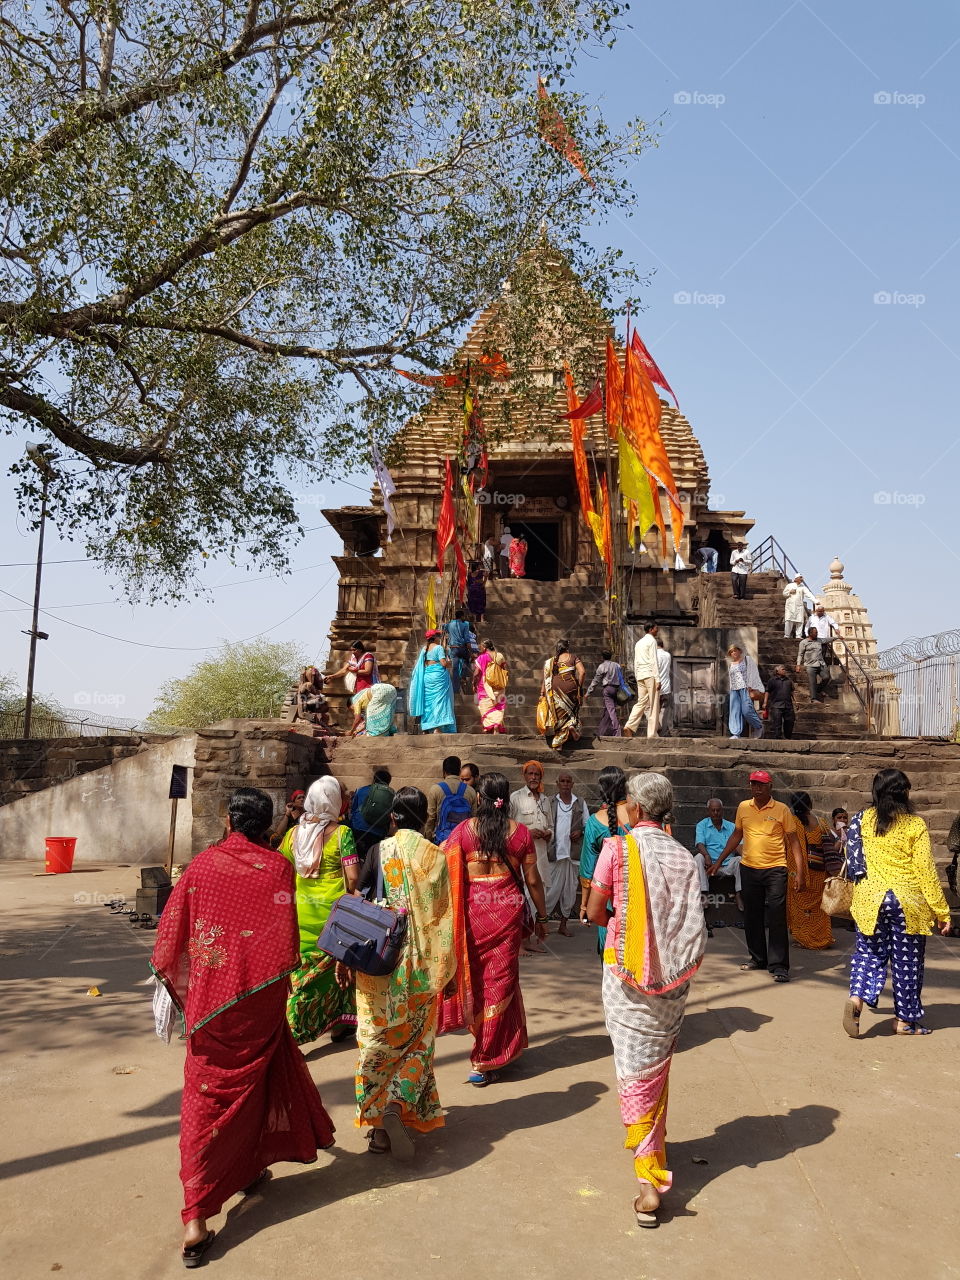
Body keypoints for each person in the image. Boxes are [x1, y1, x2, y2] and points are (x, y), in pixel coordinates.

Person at [151, 787, 335, 1266]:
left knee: (205, 1097)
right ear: (269, 826)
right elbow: (284, 939)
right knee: (255, 1083)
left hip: (213, 1003)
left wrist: (185, 989)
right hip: (262, 997)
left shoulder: (202, 866)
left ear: (230, 822)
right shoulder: (277, 867)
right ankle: (240, 1172)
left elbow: (171, 932)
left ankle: (196, 1218)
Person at [586, 772, 706, 1228]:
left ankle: (648, 1181)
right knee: (657, 1065)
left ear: (635, 809)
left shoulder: (617, 850)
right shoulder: (682, 855)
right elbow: (691, 921)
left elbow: (596, 912)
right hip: (674, 983)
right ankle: (655, 1143)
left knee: (633, 1071)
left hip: (625, 974)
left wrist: (631, 921)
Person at [342, 787, 455, 1159]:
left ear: (393, 817)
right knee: (417, 1044)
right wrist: (447, 971)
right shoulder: (436, 857)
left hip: (380, 965)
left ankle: (377, 1131)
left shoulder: (379, 850)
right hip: (422, 970)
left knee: (377, 1043)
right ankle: (398, 1104)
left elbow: (358, 896)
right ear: (426, 819)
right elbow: (443, 918)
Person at [440, 771, 548, 1085]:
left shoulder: (462, 832)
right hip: (507, 915)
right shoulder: (521, 834)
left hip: (472, 915)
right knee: (499, 981)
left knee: (475, 980)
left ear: (480, 798)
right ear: (506, 798)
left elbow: (446, 877)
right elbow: (532, 881)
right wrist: (542, 919)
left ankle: (487, 1046)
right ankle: (486, 1056)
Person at [843, 769, 952, 1038]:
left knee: (867, 955)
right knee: (908, 963)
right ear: (904, 794)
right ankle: (904, 1022)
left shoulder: (861, 820)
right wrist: (942, 911)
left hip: (870, 901)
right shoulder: (914, 825)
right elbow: (926, 871)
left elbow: (854, 859)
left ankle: (857, 998)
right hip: (906, 902)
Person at [277, 776, 360, 1044]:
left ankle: (301, 1028)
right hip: (334, 917)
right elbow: (353, 877)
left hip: (301, 913)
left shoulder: (292, 834)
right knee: (338, 971)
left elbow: (280, 868)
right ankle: (335, 1026)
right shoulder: (343, 833)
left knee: (302, 976)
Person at [716, 769, 804, 982]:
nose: (756, 788)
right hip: (749, 867)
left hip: (776, 869)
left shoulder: (782, 810)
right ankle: (758, 958)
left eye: (761, 785)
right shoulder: (743, 807)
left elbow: (794, 842)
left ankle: (779, 966)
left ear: (770, 787)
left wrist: (800, 873)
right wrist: (719, 860)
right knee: (752, 915)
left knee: (776, 917)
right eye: (753, 784)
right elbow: (737, 835)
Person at [579, 766, 631, 954]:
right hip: (640, 893)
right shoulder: (639, 814)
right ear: (625, 788)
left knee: (610, 951)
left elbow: (587, 871)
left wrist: (585, 905)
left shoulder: (595, 822)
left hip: (608, 900)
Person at [510, 761, 553, 951]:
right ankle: (522, 940)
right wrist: (528, 832)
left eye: (537, 774)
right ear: (524, 776)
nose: (534, 777)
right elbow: (510, 828)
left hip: (541, 856)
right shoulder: (515, 798)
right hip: (522, 859)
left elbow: (551, 826)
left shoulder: (545, 800)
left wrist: (547, 833)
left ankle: (533, 937)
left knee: (539, 894)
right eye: (530, 774)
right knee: (523, 897)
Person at [787, 792, 837, 950]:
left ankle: (804, 939)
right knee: (818, 908)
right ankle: (822, 937)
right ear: (810, 805)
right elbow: (831, 846)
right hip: (819, 872)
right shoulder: (821, 823)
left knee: (799, 907)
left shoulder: (792, 823)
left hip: (797, 872)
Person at [546, 771, 589, 936]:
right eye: (562, 781)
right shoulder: (549, 802)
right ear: (557, 784)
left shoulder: (580, 803)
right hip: (553, 853)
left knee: (569, 892)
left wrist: (580, 832)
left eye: (568, 781)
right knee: (549, 891)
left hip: (572, 855)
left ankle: (563, 925)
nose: (565, 784)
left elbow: (587, 824)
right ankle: (542, 924)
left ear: (572, 784)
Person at [695, 798, 743, 911]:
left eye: (718, 810)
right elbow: (699, 843)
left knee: (741, 860)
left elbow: (739, 846)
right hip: (709, 865)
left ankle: (739, 895)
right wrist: (706, 856)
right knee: (698, 857)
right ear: (708, 811)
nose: (716, 813)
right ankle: (704, 893)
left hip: (727, 864)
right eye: (713, 810)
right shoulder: (702, 825)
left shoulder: (732, 827)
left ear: (722, 811)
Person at [539, 637, 586, 749]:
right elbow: (582, 672)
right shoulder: (573, 658)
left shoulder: (552, 661)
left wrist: (542, 693)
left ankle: (559, 741)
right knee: (572, 711)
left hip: (555, 688)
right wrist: (579, 686)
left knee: (558, 713)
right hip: (571, 686)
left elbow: (546, 678)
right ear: (567, 648)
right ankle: (570, 726)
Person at [408, 628, 456, 733]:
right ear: (435, 638)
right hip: (438, 676)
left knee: (428, 702)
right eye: (439, 636)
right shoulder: (438, 648)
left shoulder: (425, 649)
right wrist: (450, 663)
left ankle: (427, 727)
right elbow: (443, 663)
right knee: (439, 701)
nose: (440, 638)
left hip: (427, 676)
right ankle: (437, 728)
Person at [425, 754, 477, 843]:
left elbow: (431, 818)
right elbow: (474, 818)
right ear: (459, 771)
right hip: (463, 841)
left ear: (444, 772)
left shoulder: (435, 789)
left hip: (443, 841)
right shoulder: (471, 791)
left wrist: (428, 839)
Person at [349, 767, 396, 861]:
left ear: (374, 780)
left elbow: (353, 810)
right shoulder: (392, 794)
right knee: (372, 857)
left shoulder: (361, 790)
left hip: (358, 828)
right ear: (388, 782)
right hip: (378, 832)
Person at [623, 622, 660, 739]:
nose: (657, 629)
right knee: (653, 704)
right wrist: (658, 679)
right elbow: (654, 660)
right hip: (650, 674)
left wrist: (637, 675)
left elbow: (636, 661)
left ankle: (629, 725)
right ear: (651, 629)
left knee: (641, 702)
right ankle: (651, 734)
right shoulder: (652, 641)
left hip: (640, 675)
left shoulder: (638, 643)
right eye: (656, 627)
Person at [725, 644, 764, 738]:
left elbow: (753, 672)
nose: (733, 653)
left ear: (740, 651)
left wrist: (751, 685)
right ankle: (736, 733)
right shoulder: (731, 664)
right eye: (731, 652)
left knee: (747, 710)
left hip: (745, 688)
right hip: (734, 690)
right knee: (735, 711)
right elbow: (731, 678)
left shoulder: (747, 660)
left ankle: (758, 726)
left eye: (735, 650)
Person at [585, 649, 625, 738]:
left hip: (608, 689)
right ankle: (600, 732)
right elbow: (621, 677)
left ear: (602, 657)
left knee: (611, 711)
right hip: (616, 689)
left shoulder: (602, 666)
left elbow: (596, 681)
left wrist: (588, 692)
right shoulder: (617, 665)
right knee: (607, 712)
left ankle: (617, 732)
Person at [474, 639, 509, 733]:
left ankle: (489, 725)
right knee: (498, 705)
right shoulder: (500, 655)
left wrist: (474, 683)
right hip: (499, 685)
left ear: (485, 648)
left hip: (484, 686)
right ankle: (496, 725)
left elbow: (476, 673)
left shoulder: (481, 658)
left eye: (481, 646)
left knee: (485, 707)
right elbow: (505, 670)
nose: (480, 648)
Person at [444, 609, 477, 693]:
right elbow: (467, 638)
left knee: (454, 669)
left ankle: (455, 690)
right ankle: (463, 676)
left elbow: (444, 628)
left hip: (453, 649)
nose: (464, 618)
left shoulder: (449, 624)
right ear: (461, 616)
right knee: (467, 660)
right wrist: (471, 652)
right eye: (464, 616)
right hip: (462, 648)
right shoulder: (465, 624)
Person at [796, 626, 830, 704]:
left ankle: (818, 689)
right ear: (810, 633)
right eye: (815, 632)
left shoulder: (819, 640)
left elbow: (827, 639)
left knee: (826, 677)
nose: (817, 633)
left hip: (821, 663)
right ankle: (813, 699)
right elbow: (800, 654)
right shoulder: (804, 642)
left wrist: (837, 637)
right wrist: (798, 665)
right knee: (812, 682)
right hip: (810, 665)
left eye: (817, 632)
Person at [763, 663, 796, 739]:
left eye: (784, 669)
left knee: (790, 722)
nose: (784, 671)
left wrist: (796, 702)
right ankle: (777, 738)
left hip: (788, 705)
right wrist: (765, 702)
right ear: (777, 671)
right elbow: (767, 691)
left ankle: (788, 737)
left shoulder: (788, 681)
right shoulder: (772, 680)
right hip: (776, 705)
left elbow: (792, 692)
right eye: (783, 669)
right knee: (777, 723)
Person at [783, 575, 815, 639]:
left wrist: (815, 601)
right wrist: (790, 592)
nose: (802, 579)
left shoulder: (803, 587)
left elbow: (808, 594)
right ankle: (787, 635)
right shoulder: (789, 585)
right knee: (788, 620)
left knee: (800, 621)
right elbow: (784, 594)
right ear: (796, 579)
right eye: (800, 578)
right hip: (790, 606)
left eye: (802, 578)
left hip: (799, 606)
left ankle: (798, 635)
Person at [656, 637, 674, 736]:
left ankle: (656, 728)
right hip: (666, 687)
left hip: (656, 687)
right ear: (662, 645)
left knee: (653, 710)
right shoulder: (668, 655)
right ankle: (662, 733)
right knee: (664, 711)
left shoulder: (654, 655)